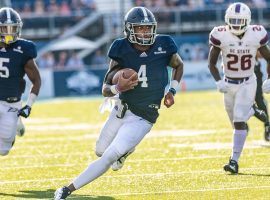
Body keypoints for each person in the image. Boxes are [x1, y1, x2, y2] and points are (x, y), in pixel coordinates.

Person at [54, 6, 183, 199]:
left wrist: (172, 90)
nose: (145, 32)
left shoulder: (165, 44)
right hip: (121, 109)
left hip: (143, 117)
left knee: (109, 158)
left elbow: (178, 65)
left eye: (148, 28)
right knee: (99, 150)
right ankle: (126, 151)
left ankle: (67, 189)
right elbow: (105, 89)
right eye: (140, 28)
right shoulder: (120, 48)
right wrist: (118, 88)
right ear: (129, 29)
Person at [208, 2, 270, 174]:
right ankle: (253, 111)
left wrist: (269, 78)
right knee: (235, 122)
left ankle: (234, 161)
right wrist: (218, 81)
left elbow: (269, 57)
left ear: (247, 20)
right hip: (228, 82)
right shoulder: (220, 34)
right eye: (233, 20)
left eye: (239, 20)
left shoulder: (256, 34)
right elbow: (211, 63)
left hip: (247, 82)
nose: (235, 24)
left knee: (238, 121)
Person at [0, 7, 41, 156]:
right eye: (5, 28)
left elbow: (36, 80)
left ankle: (16, 123)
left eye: (12, 28)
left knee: (3, 151)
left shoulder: (24, 48)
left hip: (12, 103)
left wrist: (29, 105)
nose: (9, 32)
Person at [254, 52, 270, 141]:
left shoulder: (253, 38)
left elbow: (263, 54)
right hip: (239, 75)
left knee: (259, 101)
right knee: (237, 102)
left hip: (254, 72)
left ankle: (267, 126)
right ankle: (241, 124)